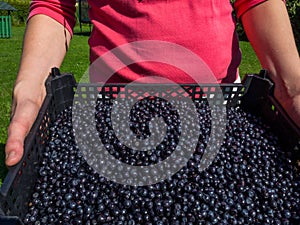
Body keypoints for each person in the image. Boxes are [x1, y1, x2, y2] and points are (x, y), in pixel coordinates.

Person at [5, 0, 300, 166]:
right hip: (111, 118)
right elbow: (56, 6)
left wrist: (292, 88)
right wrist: (31, 87)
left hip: (221, 110)